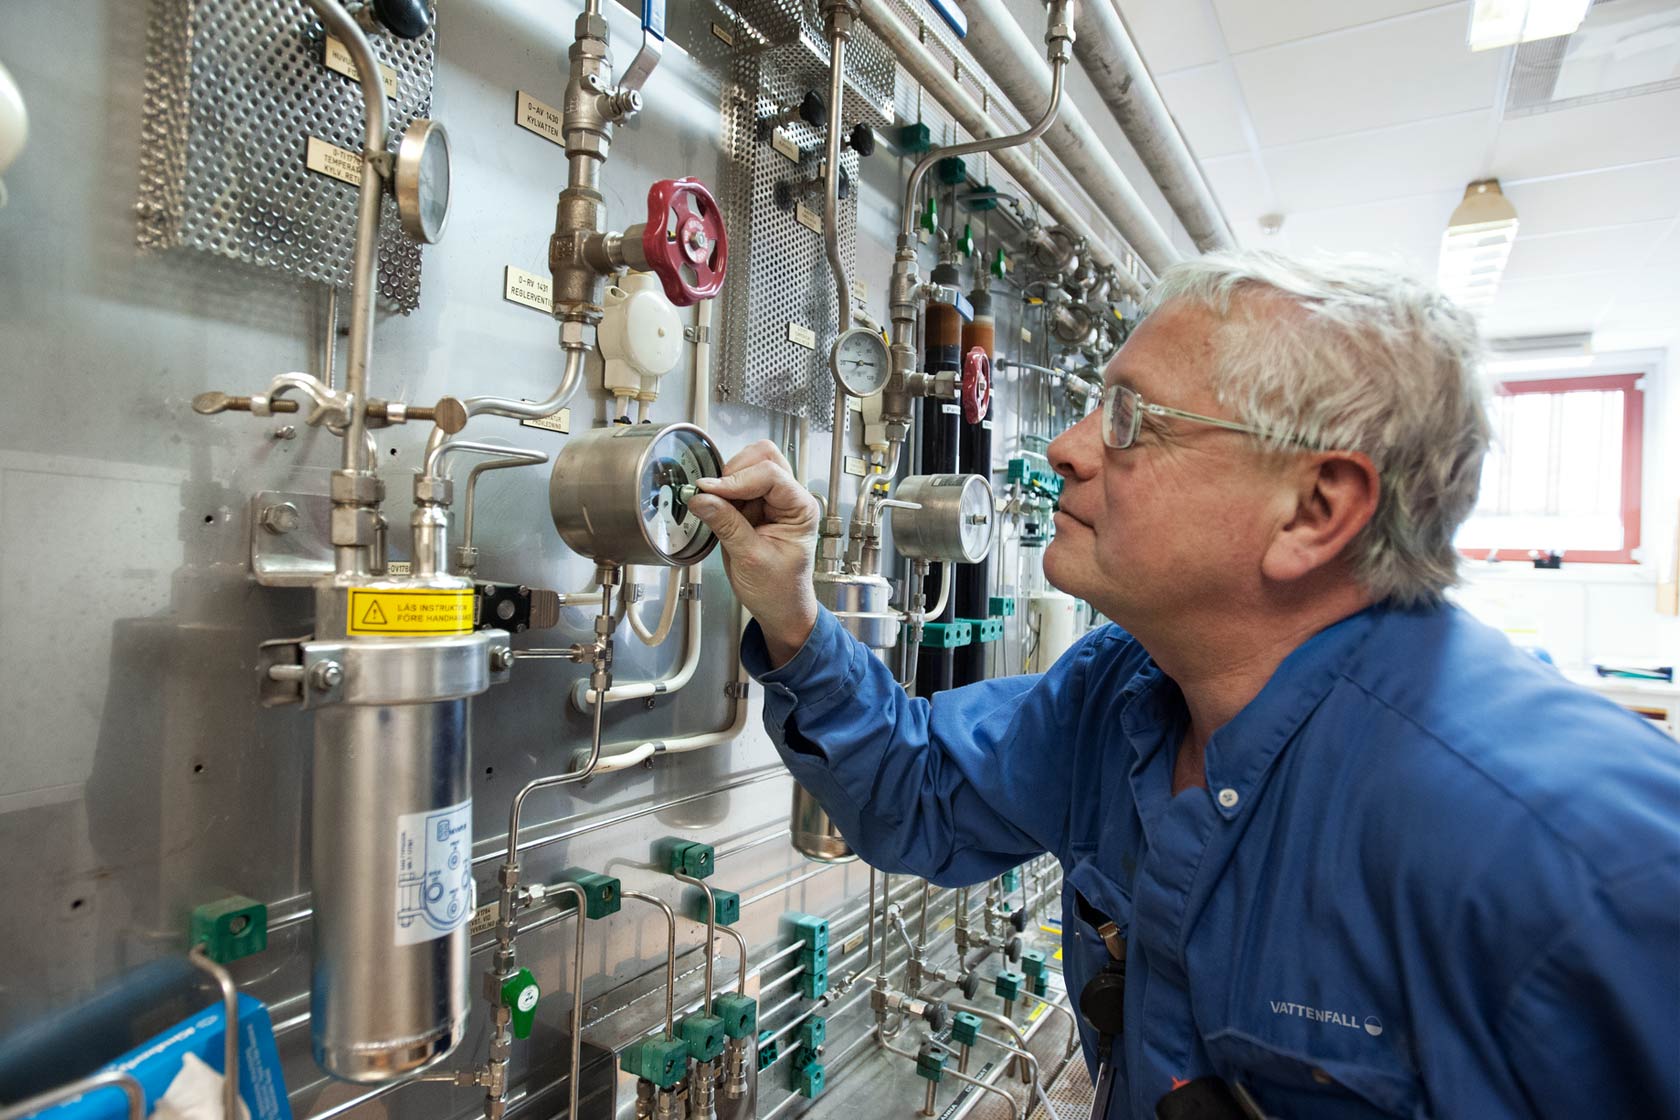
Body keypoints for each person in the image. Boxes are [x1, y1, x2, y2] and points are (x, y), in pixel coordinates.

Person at [686, 252, 1680, 1119]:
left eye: (1129, 416)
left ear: (1315, 508)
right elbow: (918, 790)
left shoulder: (1583, 860)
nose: (1066, 448)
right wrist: (792, 612)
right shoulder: (1124, 692)